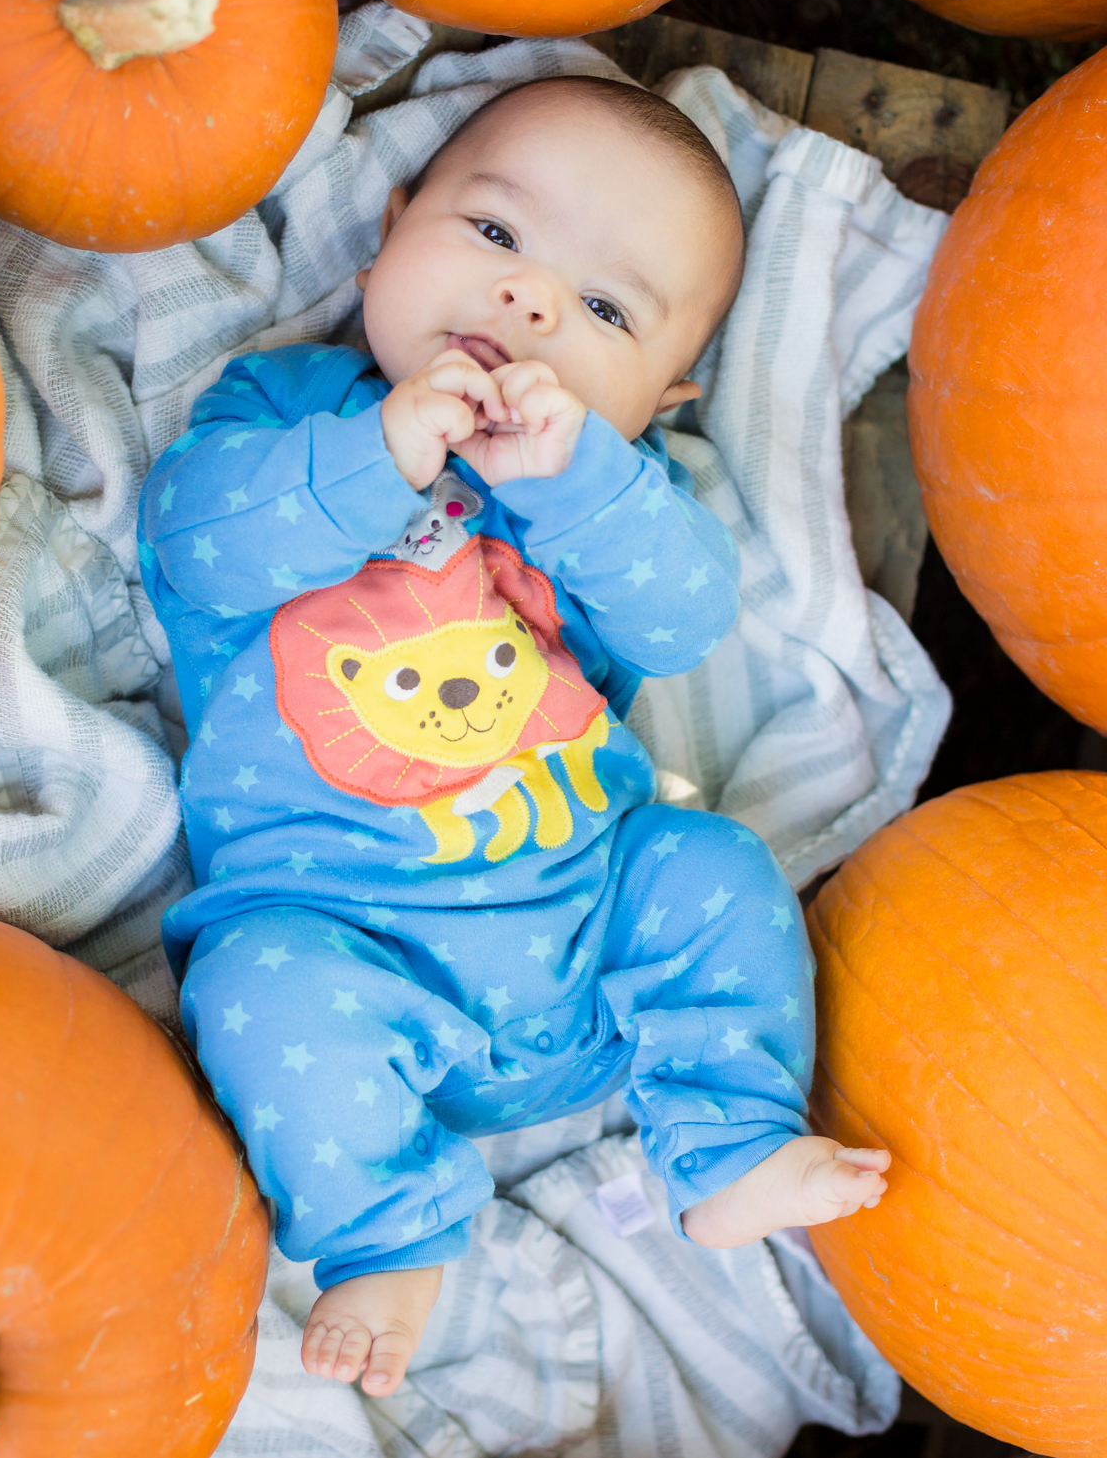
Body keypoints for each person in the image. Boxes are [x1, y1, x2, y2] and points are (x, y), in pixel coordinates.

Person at [138, 74, 890, 1401]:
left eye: (605, 312)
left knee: (711, 872)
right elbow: (197, 543)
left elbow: (681, 619)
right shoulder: (279, 414)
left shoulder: (610, 491)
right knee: (254, 991)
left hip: (592, 922)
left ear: (664, 398)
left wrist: (588, 477)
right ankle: (385, 1236)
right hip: (343, 950)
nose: (532, 301)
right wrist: (375, 452)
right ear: (390, 229)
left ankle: (725, 1145)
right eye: (494, 236)